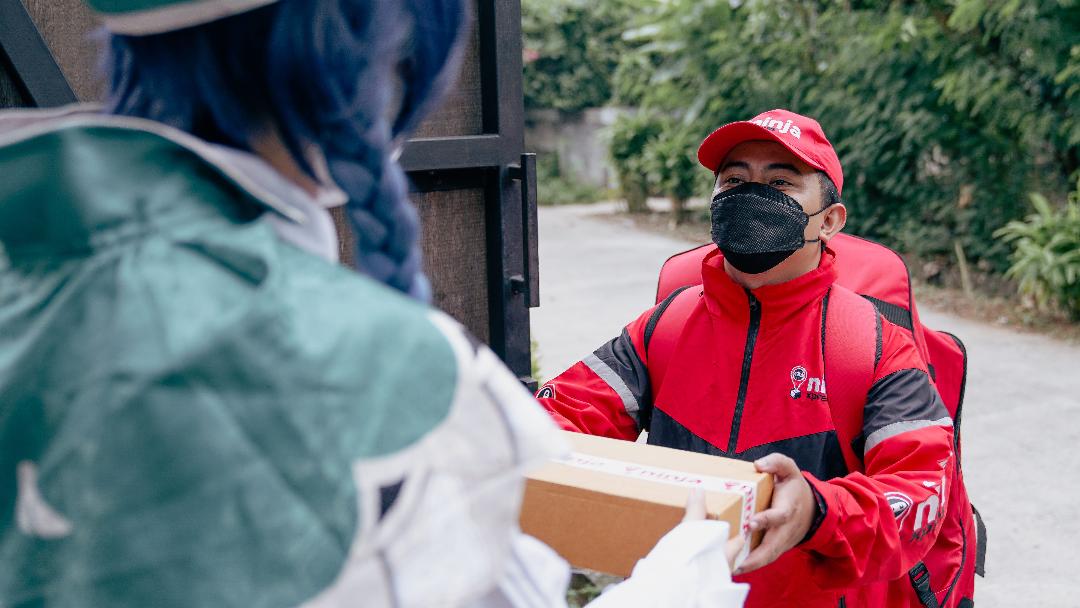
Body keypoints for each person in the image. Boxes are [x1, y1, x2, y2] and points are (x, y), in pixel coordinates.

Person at [0, 1, 747, 606]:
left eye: (779, 182)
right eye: (735, 180)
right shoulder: (406, 375)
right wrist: (680, 588)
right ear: (380, 63)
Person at [537, 109, 957, 607]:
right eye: (734, 181)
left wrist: (818, 511)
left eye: (780, 183)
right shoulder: (664, 327)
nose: (751, 195)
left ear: (829, 221)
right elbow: (548, 423)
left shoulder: (877, 346)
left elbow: (919, 493)